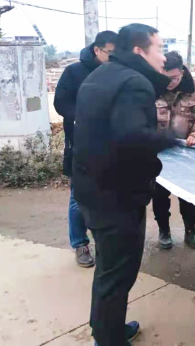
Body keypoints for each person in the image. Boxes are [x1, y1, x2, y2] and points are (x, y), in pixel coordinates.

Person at [73, 24, 177, 346]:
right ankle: (109, 339)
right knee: (118, 273)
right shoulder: (134, 83)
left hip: (91, 189)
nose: (163, 56)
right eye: (159, 48)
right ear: (139, 51)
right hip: (117, 197)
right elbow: (132, 137)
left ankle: (108, 329)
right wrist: (170, 138)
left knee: (108, 269)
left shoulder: (100, 75)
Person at [54, 30, 117, 268]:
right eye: (110, 53)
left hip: (111, 147)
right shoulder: (74, 72)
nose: (114, 58)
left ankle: (105, 242)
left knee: (108, 196)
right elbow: (60, 103)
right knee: (78, 198)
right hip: (81, 145)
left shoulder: (115, 73)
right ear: (97, 50)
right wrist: (84, 117)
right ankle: (80, 243)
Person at [153, 51, 195, 250]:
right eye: (165, 77)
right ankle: (164, 231)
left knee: (188, 195)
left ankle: (191, 231)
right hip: (159, 152)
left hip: (187, 151)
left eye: (174, 78)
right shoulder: (151, 87)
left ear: (181, 71)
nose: (169, 82)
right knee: (159, 195)